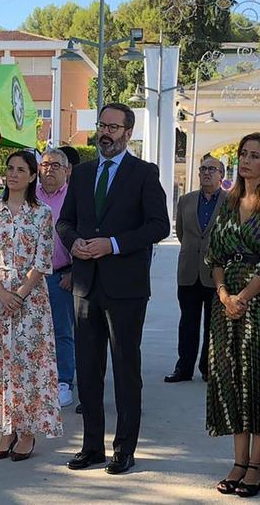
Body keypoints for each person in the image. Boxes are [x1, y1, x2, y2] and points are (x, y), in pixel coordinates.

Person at [58, 102, 170, 475]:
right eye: (101, 125)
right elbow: (64, 222)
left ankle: (124, 449)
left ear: (128, 133)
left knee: (125, 370)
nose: (105, 133)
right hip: (85, 285)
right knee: (88, 372)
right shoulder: (83, 173)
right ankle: (91, 447)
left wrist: (114, 244)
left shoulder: (144, 173)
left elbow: (159, 226)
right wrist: (73, 241)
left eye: (113, 127)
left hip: (126, 289)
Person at [204, 132, 260, 498]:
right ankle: (238, 460)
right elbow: (215, 256)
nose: (246, 160)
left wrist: (242, 296)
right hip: (227, 303)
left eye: (255, 155)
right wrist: (225, 294)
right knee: (231, 380)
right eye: (243, 154)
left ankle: (257, 464)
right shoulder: (228, 201)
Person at [0, 149, 63, 462]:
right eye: (9, 168)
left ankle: (28, 431)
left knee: (29, 365)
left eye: (21, 169)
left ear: (33, 175)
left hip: (31, 300)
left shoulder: (42, 213)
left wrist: (19, 294)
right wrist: (1, 292)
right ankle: (5, 427)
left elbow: (43, 259)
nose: (13, 174)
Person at [165, 155, 225, 385]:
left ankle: (209, 368)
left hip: (215, 275)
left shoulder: (230, 202)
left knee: (213, 325)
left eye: (212, 169)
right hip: (189, 270)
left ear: (221, 174)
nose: (206, 173)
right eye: (203, 169)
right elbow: (181, 233)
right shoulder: (186, 201)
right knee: (187, 323)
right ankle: (184, 368)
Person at [36, 148, 77, 407]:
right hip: (29, 277)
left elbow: (83, 234)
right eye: (45, 165)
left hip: (61, 275)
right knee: (34, 332)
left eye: (55, 166)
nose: (49, 170)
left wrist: (74, 271)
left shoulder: (75, 198)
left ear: (67, 170)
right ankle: (38, 379)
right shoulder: (30, 196)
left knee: (62, 332)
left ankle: (63, 381)